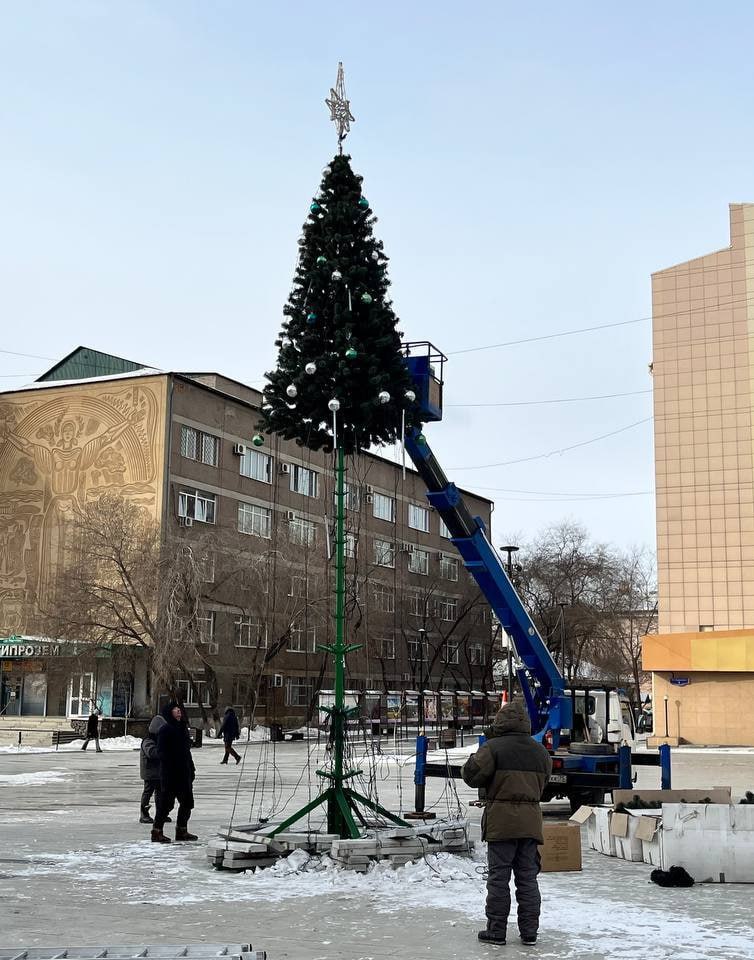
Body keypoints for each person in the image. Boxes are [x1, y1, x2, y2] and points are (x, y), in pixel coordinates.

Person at [462, 699, 552, 947]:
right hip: (530, 824)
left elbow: (471, 775)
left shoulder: (493, 748)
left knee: (499, 878)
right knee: (528, 879)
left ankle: (497, 931)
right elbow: (544, 786)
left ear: (500, 722)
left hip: (501, 824)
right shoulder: (540, 751)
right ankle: (530, 932)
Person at [151, 701, 197, 843]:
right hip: (170, 773)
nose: (178, 711)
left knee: (187, 803)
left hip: (184, 773)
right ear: (169, 712)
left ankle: (181, 830)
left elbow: (186, 752)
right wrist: (169, 768)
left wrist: (191, 768)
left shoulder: (183, 728)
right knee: (166, 804)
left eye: (179, 708)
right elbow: (162, 752)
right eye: (175, 709)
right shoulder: (165, 730)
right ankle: (157, 831)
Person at [139, 714, 172, 824]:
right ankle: (144, 814)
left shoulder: (158, 740)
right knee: (148, 792)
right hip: (149, 772)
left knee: (160, 793)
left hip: (158, 772)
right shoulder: (148, 741)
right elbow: (152, 753)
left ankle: (160, 813)